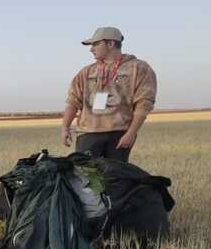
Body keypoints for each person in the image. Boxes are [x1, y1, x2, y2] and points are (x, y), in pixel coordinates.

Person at [61, 27, 157, 161]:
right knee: (85, 177)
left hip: (119, 134)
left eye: (96, 44)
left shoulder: (139, 68)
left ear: (111, 44)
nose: (91, 49)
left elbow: (144, 103)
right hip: (88, 133)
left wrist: (131, 133)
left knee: (115, 178)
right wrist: (65, 127)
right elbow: (73, 101)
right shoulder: (86, 72)